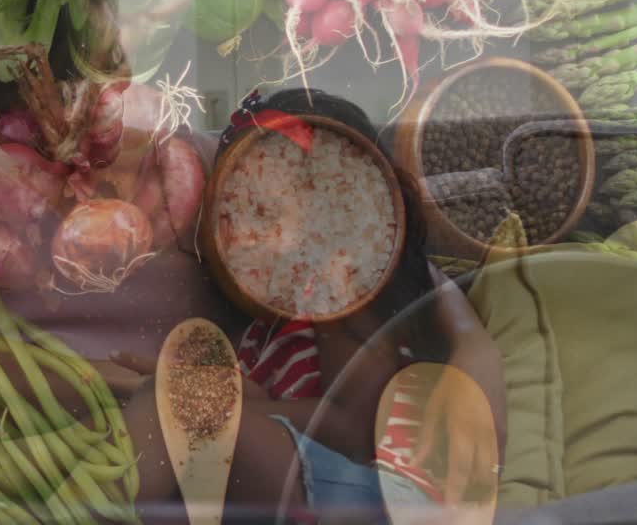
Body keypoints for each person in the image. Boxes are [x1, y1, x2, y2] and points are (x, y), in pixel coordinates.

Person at [105, 88, 506, 522]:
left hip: (354, 492)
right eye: (229, 212)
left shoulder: (338, 292)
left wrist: (202, 399)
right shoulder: (269, 324)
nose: (243, 235)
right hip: (296, 482)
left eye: (265, 213)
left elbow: (351, 426)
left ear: (334, 215)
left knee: (180, 412)